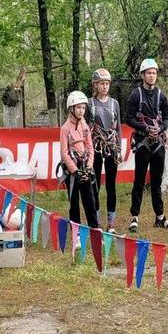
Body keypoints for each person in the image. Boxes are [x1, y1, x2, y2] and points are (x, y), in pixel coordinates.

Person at [125, 58, 168, 232]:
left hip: (158, 144)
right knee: (139, 181)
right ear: (142, 75)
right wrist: (145, 128)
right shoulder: (136, 95)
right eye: (148, 73)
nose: (152, 76)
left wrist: (160, 128)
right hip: (142, 143)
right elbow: (129, 118)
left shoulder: (161, 95)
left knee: (157, 181)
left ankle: (160, 217)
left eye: (154, 73)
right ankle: (134, 217)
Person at [60, 91, 101, 244]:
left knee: (90, 200)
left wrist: (89, 167)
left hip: (85, 167)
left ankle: (95, 231)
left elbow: (90, 147)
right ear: (71, 108)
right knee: (74, 203)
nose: (81, 111)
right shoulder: (65, 129)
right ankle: (76, 235)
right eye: (78, 108)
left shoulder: (85, 125)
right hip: (73, 170)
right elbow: (64, 153)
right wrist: (75, 171)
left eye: (83, 108)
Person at [88, 68, 122, 233]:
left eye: (107, 83)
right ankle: (96, 222)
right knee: (94, 185)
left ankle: (111, 223)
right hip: (95, 147)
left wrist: (120, 149)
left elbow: (118, 128)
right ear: (95, 85)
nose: (105, 86)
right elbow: (86, 128)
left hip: (112, 148)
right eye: (102, 83)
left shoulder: (114, 103)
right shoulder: (90, 103)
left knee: (111, 185)